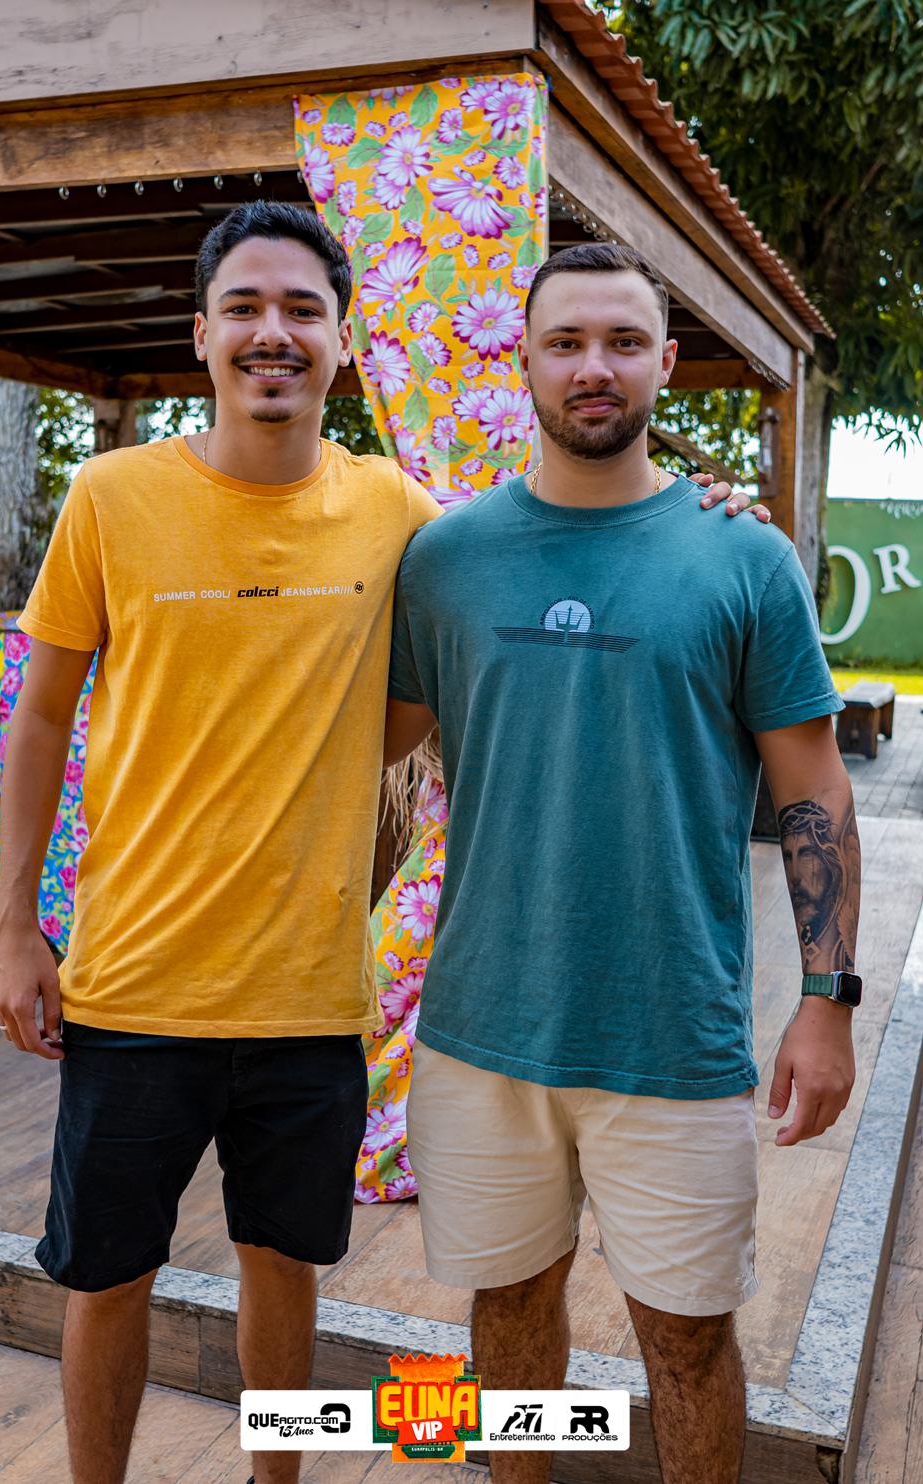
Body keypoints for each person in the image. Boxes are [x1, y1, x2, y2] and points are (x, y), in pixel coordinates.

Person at [0, 201, 761, 1484]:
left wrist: (703, 515)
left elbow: (549, 546)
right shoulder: (112, 496)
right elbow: (41, 712)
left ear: (342, 342)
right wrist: (18, 926)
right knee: (106, 1273)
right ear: (200, 333)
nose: (272, 333)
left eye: (302, 310)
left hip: (309, 996)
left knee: (283, 1268)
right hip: (130, 983)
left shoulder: (399, 516)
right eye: (243, 307)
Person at [384, 242, 861, 1484]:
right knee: (505, 1314)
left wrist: (826, 999)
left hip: (671, 1032)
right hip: (482, 1027)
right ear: (524, 361)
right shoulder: (444, 557)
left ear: (663, 360)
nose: (591, 366)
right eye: (564, 342)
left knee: (688, 1341)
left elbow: (812, 787)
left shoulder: (740, 556)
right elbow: (368, 758)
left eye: (621, 341)